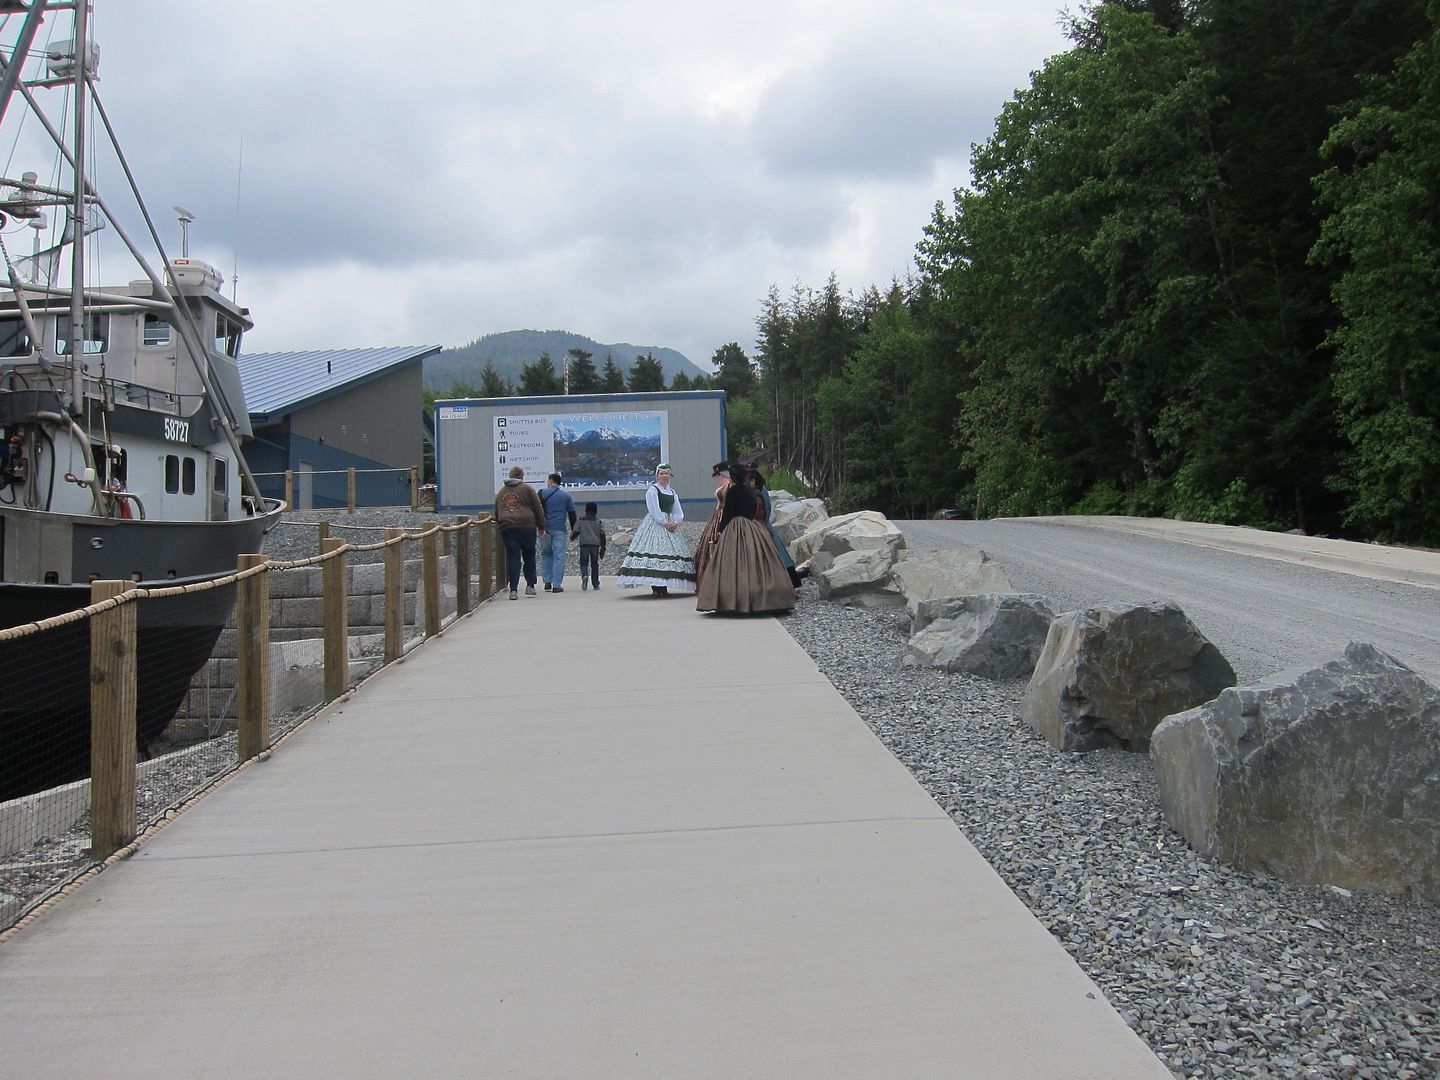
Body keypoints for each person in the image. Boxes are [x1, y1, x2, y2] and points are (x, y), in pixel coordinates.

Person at [695, 462, 794, 615]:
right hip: (751, 527)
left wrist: (721, 531)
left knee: (731, 565)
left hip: (734, 527)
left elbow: (728, 513)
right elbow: (755, 510)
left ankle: (732, 599)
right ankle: (760, 598)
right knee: (757, 562)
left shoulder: (733, 492)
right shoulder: (751, 491)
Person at [616, 463, 697, 596]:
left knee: (671, 554)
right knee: (654, 551)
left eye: (666, 473)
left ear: (670, 475)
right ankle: (656, 588)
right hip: (656, 524)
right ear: (657, 475)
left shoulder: (672, 492)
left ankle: (663, 587)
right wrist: (664, 522)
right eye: (661, 473)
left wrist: (675, 522)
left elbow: (677, 510)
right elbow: (654, 510)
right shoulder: (653, 490)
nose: (664, 476)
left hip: (670, 522)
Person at [748, 462, 802, 590]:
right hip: (762, 525)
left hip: (763, 525)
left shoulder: (762, 491)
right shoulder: (757, 490)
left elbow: (767, 508)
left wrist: (762, 523)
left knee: (776, 555)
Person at [494, 465, 544, 600]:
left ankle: (514, 590)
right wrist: (541, 526)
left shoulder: (501, 492)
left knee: (513, 557)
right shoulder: (528, 489)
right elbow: (537, 507)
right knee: (529, 554)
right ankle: (530, 585)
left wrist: (500, 524)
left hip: (507, 527)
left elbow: (497, 510)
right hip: (527, 526)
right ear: (521, 477)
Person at [693, 461, 732, 589]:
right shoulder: (725, 486)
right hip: (717, 515)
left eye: (718, 475)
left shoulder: (731, 486)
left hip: (725, 515)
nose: (716, 478)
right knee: (708, 546)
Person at [538, 472, 577, 593]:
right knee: (558, 556)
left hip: (545, 529)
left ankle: (547, 581)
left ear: (550, 481)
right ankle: (557, 584)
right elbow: (572, 515)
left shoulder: (541, 493)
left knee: (546, 554)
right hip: (560, 528)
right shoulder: (566, 496)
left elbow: (536, 510)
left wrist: (539, 526)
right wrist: (574, 532)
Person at [570, 500, 607, 591]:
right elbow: (602, 534)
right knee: (594, 564)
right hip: (595, 544)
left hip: (584, 544)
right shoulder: (598, 521)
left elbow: (576, 532)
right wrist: (603, 547)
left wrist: (572, 538)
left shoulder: (580, 520)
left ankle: (585, 575)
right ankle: (595, 584)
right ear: (596, 510)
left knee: (584, 563)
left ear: (586, 510)